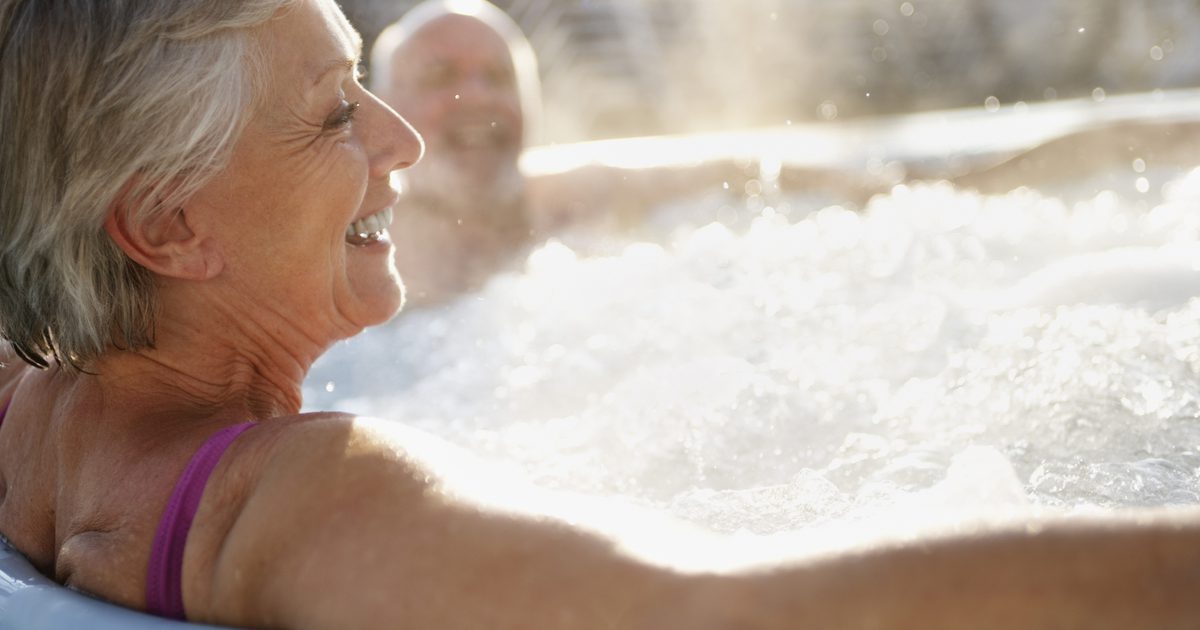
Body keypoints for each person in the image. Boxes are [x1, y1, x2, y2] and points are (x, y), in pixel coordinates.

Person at [1, 1, 1199, 629]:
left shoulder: (38, 407)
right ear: (165, 229)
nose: (403, 139)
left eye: (368, 82)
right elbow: (719, 616)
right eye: (332, 115)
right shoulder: (303, 497)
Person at [370, 0, 882, 306]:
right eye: (441, 77)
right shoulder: (349, 247)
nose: (479, 96)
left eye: (498, 78)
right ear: (385, 110)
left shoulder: (581, 199)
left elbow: (739, 176)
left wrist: (879, 192)